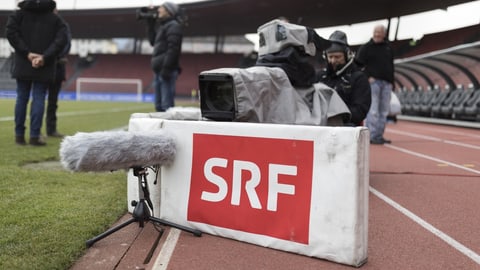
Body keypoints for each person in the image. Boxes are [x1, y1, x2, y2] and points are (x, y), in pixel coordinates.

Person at [6, 0, 69, 146]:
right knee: (39, 97)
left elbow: (11, 33)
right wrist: (44, 57)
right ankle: (35, 136)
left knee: (21, 98)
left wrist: (27, 53)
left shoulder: (18, 14)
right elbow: (61, 39)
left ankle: (19, 136)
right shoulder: (55, 19)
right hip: (44, 65)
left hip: (23, 62)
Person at [316, 30, 371, 126]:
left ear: (347, 56)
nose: (333, 61)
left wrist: (337, 115)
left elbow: (360, 111)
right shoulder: (319, 76)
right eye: (330, 57)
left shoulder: (359, 78)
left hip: (346, 127)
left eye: (337, 57)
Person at [355, 24, 394, 144]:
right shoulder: (366, 48)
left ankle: (378, 135)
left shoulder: (388, 47)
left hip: (387, 84)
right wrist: (367, 77)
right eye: (375, 32)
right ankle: (371, 136)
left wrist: (392, 82)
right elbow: (357, 65)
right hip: (374, 83)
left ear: (384, 34)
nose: (377, 34)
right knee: (373, 110)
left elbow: (391, 66)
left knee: (384, 111)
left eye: (379, 32)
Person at [147, 2, 184, 112]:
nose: (158, 10)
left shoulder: (174, 26)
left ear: (169, 11)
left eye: (161, 8)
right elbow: (153, 42)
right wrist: (150, 24)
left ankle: (169, 129)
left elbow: (174, 49)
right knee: (159, 106)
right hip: (159, 70)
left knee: (166, 107)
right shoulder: (164, 26)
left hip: (166, 70)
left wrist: (166, 69)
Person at [46, 8, 72, 138]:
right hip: (44, 65)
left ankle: (51, 129)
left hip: (55, 66)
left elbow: (67, 43)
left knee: (52, 101)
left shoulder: (63, 25)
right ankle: (36, 131)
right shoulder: (42, 23)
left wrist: (54, 56)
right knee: (39, 98)